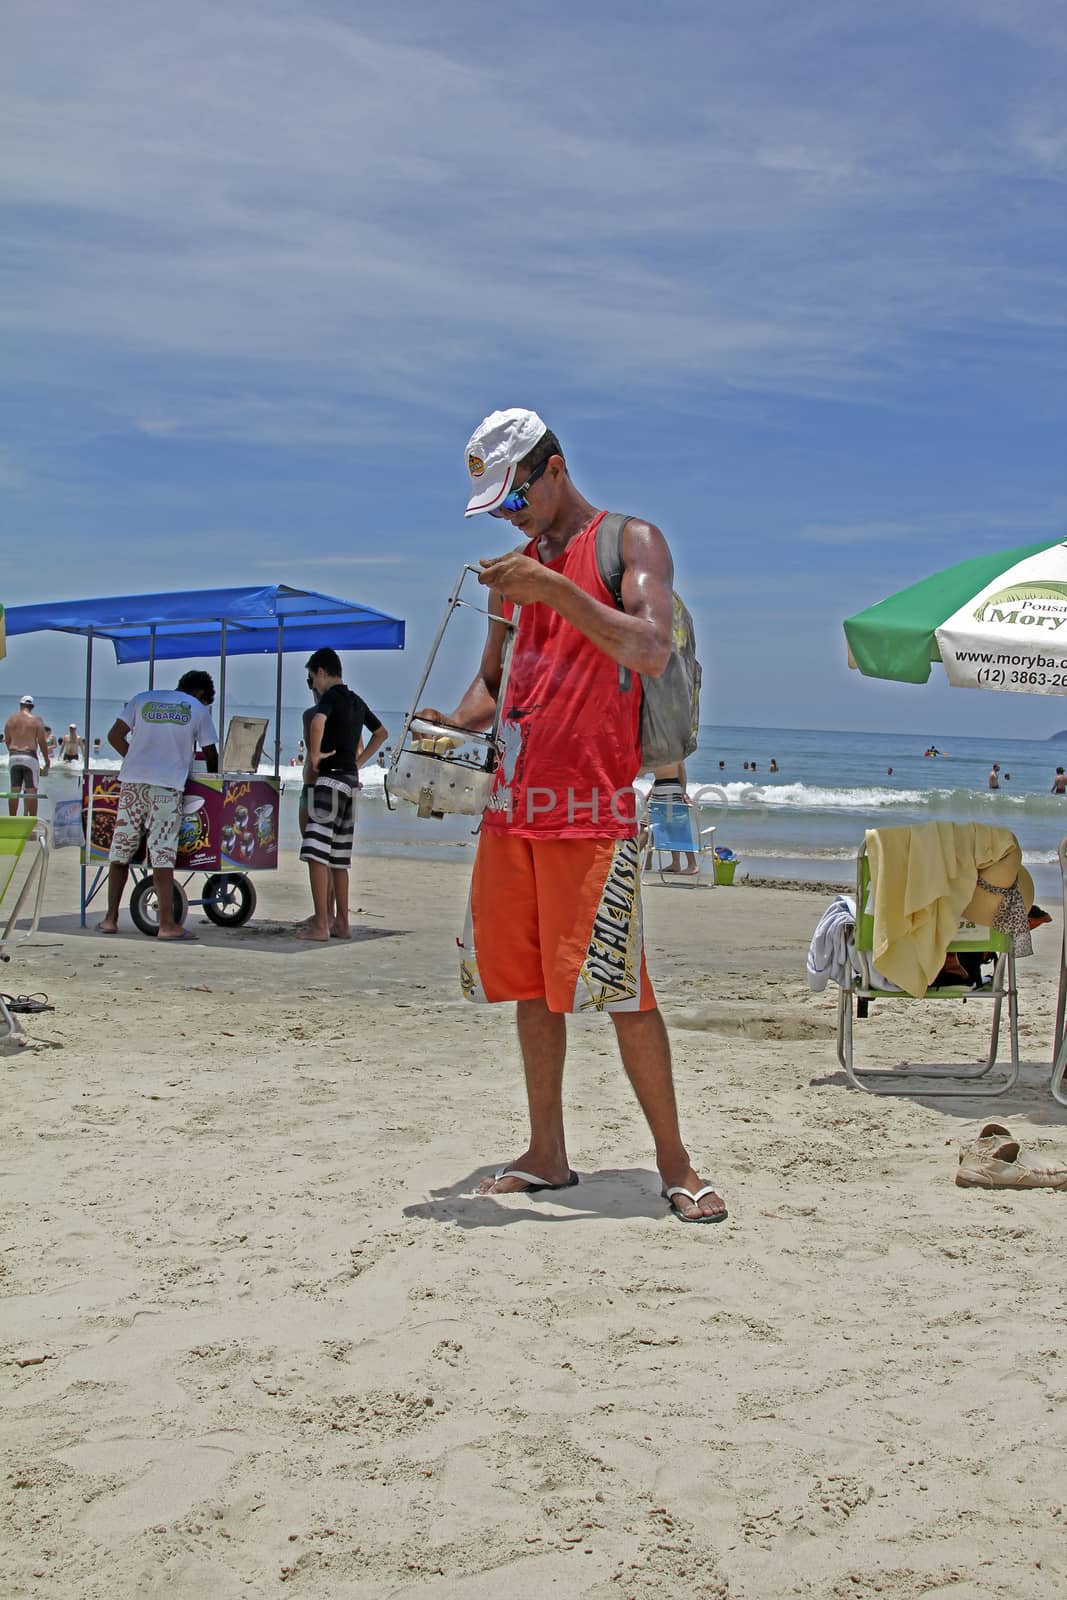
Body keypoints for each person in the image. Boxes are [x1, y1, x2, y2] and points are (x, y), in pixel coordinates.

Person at [419, 406, 725, 1223]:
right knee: (528, 988)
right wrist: (450, 725)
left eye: (514, 498)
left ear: (551, 468)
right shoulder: (517, 573)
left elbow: (649, 647)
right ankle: (546, 1150)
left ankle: (676, 1162)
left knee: (623, 989)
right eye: (497, 508)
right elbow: (494, 685)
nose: (509, 516)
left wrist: (552, 588)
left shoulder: (629, 543)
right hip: (513, 806)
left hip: (590, 809)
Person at [96, 671, 219, 940]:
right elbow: (210, 752)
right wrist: (214, 780)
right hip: (167, 786)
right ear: (200, 694)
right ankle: (166, 924)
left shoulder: (142, 699)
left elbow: (114, 735)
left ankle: (109, 919)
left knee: (121, 852)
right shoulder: (197, 709)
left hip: (132, 784)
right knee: (163, 855)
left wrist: (138, 760)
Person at [297, 648, 387, 942]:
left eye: (312, 679)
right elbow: (381, 733)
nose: (314, 685)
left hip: (330, 782)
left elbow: (317, 722)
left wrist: (314, 756)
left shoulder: (330, 698)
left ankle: (322, 923)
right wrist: (358, 763)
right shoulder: (355, 700)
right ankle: (343, 923)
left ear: (321, 672)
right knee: (339, 858)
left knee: (315, 852)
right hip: (350, 784)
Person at [644, 760, 697, 874]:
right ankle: (676, 863)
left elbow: (681, 769)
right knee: (674, 828)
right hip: (662, 790)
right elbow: (662, 777)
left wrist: (683, 793)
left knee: (677, 828)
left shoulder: (671, 750)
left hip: (670, 791)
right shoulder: (665, 750)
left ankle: (691, 864)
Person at [4, 694, 50, 817]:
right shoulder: (37, 720)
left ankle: (12, 820)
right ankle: (32, 821)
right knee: (31, 792)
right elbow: (42, 742)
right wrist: (47, 760)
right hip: (29, 757)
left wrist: (13, 752)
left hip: (13, 757)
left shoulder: (10, 719)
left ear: (20, 705)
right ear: (32, 707)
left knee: (14, 791)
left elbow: (7, 740)